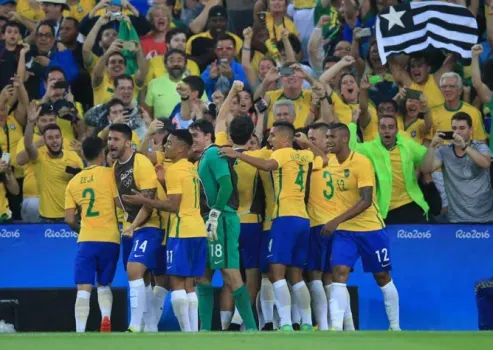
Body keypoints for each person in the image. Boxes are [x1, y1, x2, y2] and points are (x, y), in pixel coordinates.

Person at [220, 121, 328, 331]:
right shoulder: (304, 156)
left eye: (273, 136)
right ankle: (306, 323)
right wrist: (307, 144)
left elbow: (268, 165)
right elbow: (323, 159)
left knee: (276, 274)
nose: (269, 140)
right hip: (303, 220)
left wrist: (239, 155)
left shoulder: (281, 154)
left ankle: (286, 323)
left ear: (285, 139)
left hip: (283, 218)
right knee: (296, 276)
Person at [122, 129, 207, 332]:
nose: (165, 146)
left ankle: (187, 332)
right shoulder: (192, 169)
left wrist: (144, 200)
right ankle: (193, 333)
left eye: (169, 143)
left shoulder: (175, 170)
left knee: (176, 282)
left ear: (181, 148)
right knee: (190, 284)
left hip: (181, 230)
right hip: (198, 230)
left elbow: (173, 206)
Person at [321, 123, 400, 332]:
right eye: (327, 137)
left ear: (345, 139)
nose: (328, 140)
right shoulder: (330, 163)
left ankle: (395, 326)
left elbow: (365, 201)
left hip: (371, 228)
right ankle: (336, 328)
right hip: (345, 232)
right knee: (339, 272)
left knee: (382, 276)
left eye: (332, 137)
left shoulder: (361, 162)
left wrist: (335, 220)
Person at [188, 119, 257, 332]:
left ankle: (253, 329)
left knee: (230, 272)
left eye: (195, 136)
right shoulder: (203, 158)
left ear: (208, 136)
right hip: (209, 219)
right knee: (203, 275)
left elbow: (226, 184)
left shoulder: (212, 154)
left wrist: (216, 213)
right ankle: (205, 331)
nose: (192, 141)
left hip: (222, 218)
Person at [108, 123, 163, 332]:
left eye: (115, 140)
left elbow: (149, 203)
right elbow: (120, 200)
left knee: (134, 269)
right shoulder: (115, 167)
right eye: (109, 140)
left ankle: (134, 326)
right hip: (131, 227)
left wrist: (133, 225)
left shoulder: (140, 162)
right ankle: (150, 327)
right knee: (144, 277)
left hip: (149, 225)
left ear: (127, 143)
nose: (110, 144)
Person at [64, 136, 120, 333]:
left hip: (87, 239)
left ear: (84, 155)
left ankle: (80, 330)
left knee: (83, 289)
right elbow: (119, 203)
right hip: (111, 239)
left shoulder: (73, 182)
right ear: (102, 153)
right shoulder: (110, 174)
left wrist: (82, 229)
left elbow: (69, 218)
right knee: (104, 285)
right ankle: (105, 318)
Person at [224, 116, 267, 330]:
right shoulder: (259, 155)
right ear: (252, 136)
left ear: (229, 135)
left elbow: (221, 119)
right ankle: (239, 321)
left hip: (229, 221)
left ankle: (225, 324)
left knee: (229, 275)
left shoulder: (221, 156)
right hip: (251, 222)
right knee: (252, 275)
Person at [348, 111, 430, 224]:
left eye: (391, 127)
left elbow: (426, 155)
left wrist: (434, 146)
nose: (387, 130)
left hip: (410, 203)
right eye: (383, 127)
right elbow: (351, 148)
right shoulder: (370, 148)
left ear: (396, 130)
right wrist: (353, 121)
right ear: (378, 130)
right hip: (385, 209)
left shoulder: (408, 145)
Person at [422, 112, 493, 224]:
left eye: (462, 128)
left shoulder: (480, 147)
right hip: (456, 218)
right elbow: (426, 169)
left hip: (486, 217)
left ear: (471, 130)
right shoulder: (443, 151)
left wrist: (464, 146)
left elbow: (485, 163)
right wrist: (432, 146)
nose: (457, 132)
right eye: (454, 128)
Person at [23, 102, 83, 222]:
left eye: (57, 137)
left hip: (72, 218)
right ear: (44, 141)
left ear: (62, 138)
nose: (54, 141)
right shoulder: (39, 159)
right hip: (47, 219)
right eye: (50, 138)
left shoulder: (73, 157)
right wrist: (30, 122)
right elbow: (29, 145)